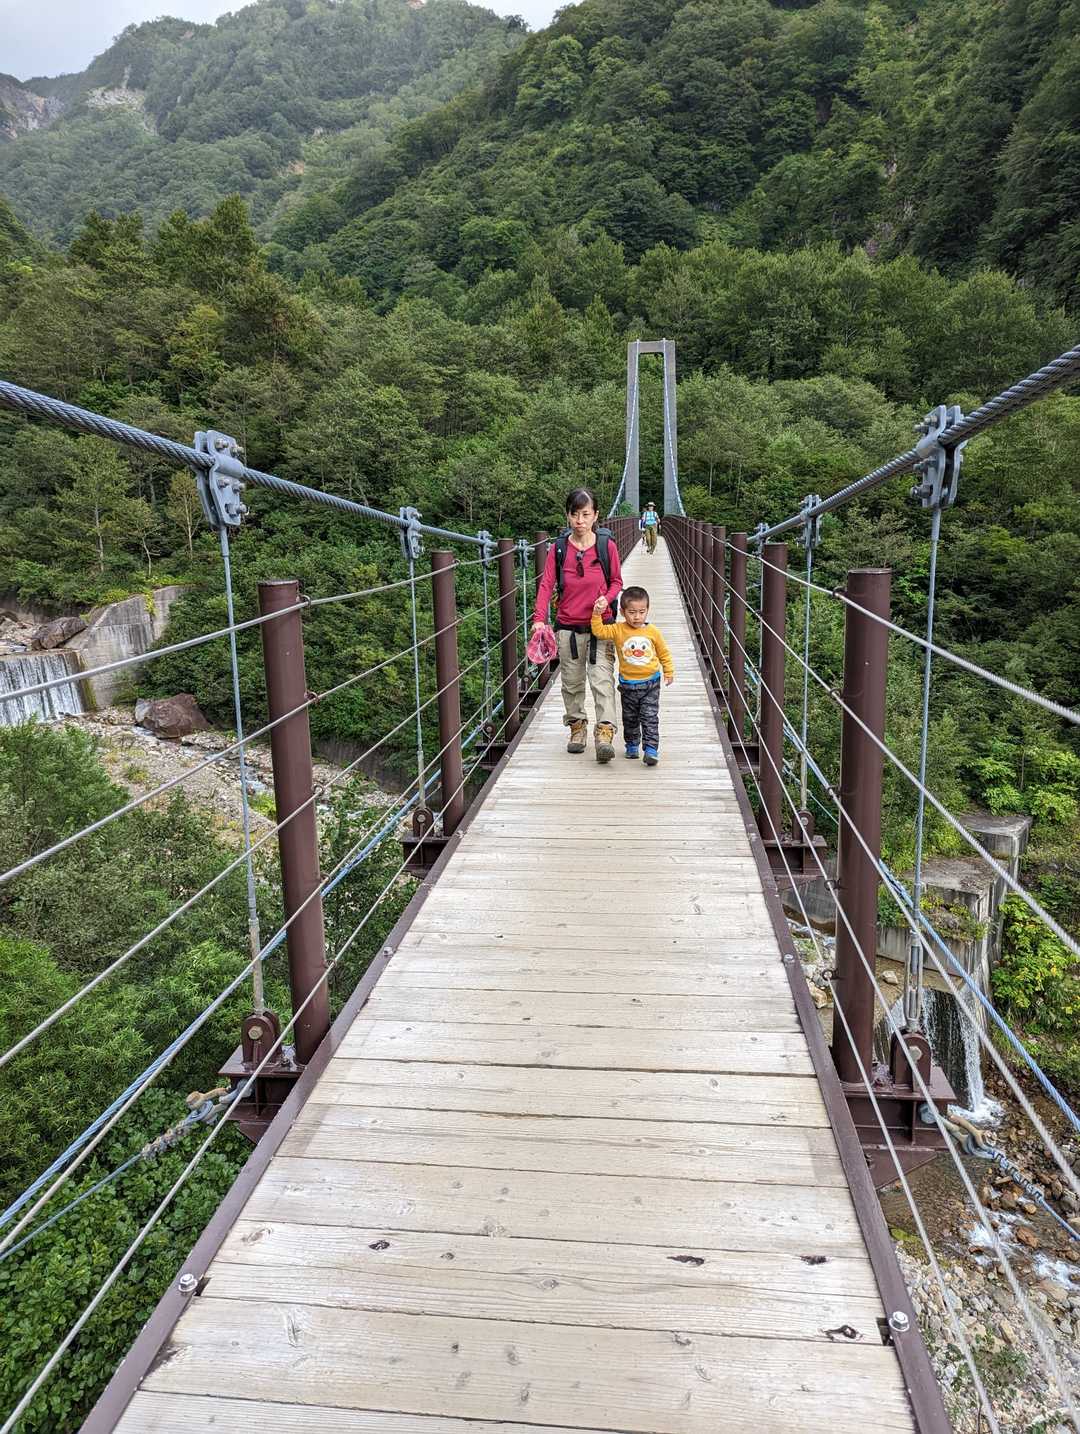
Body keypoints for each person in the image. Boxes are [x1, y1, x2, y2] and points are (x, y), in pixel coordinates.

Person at [532, 487, 622, 762]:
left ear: (596, 515)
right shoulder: (559, 549)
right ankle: (577, 728)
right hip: (568, 628)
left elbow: (617, 582)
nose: (580, 521)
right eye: (574, 514)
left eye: (585, 514)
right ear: (567, 516)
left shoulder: (606, 546)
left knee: (602, 681)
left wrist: (607, 599)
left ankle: (604, 733)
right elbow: (547, 584)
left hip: (601, 627)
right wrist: (539, 619)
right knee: (571, 684)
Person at [590, 584, 674, 766]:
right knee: (630, 718)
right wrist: (597, 614)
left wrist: (668, 671)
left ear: (647, 610)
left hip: (651, 683)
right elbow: (599, 631)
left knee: (650, 718)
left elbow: (663, 653)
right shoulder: (618, 629)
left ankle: (651, 749)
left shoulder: (653, 632)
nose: (637, 617)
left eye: (642, 612)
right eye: (632, 612)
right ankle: (632, 745)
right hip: (628, 685)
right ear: (622, 612)